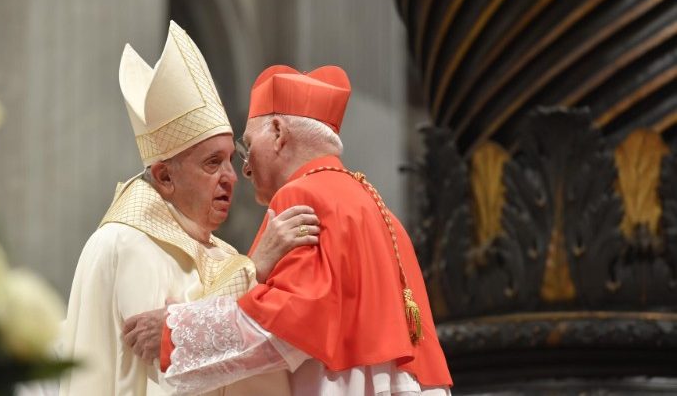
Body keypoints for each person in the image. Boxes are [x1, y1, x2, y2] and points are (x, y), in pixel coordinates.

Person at [123, 65, 453, 395]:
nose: (246, 168)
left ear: (279, 132)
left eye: (246, 147)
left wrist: (174, 333)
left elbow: (288, 326)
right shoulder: (375, 207)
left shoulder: (304, 195)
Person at [59, 23, 319, 396]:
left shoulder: (221, 252)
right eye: (212, 163)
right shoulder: (126, 244)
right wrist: (255, 267)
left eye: (232, 159)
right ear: (165, 177)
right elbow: (172, 370)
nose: (231, 177)